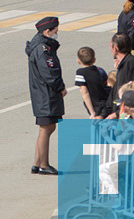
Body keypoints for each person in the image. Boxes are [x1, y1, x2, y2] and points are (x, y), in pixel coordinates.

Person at [26, 16, 66, 173]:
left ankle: (37, 163)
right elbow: (49, 72)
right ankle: (44, 165)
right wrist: (60, 87)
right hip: (45, 95)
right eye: (55, 31)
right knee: (46, 128)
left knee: (47, 128)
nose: (57, 33)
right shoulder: (42, 49)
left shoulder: (41, 45)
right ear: (47, 31)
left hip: (43, 94)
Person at [74, 46, 108, 119]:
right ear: (94, 60)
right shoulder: (99, 70)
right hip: (105, 101)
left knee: (95, 121)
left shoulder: (80, 72)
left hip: (94, 104)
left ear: (78, 61)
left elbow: (85, 93)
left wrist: (92, 112)